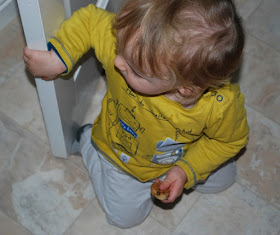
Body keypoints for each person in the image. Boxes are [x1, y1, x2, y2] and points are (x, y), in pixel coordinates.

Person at [23, 0, 249, 229]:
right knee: (124, 219)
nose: (117, 62)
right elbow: (91, 20)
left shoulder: (220, 107)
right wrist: (59, 57)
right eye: (120, 49)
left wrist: (185, 170)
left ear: (186, 89)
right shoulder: (133, 44)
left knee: (225, 179)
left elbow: (229, 142)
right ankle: (87, 141)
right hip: (121, 154)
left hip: (183, 152)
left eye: (136, 72)